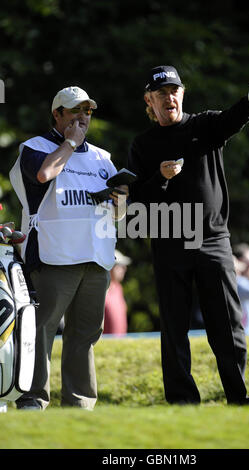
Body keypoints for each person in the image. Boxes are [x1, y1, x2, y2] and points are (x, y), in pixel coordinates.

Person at [128, 64, 249, 406]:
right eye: (160, 93)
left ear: (182, 93)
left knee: (228, 325)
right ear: (149, 100)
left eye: (174, 91)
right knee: (174, 328)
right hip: (168, 241)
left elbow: (231, 119)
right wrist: (161, 177)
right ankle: (183, 404)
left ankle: (238, 398)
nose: (169, 98)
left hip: (212, 240)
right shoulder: (143, 145)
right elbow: (135, 203)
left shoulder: (204, 125)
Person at [9, 86, 128, 410]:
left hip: (96, 257)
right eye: (74, 110)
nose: (82, 117)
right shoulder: (33, 147)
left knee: (85, 334)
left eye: (87, 111)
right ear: (57, 114)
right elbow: (45, 173)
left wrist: (120, 199)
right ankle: (33, 399)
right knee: (42, 331)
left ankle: (80, 405)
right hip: (52, 257)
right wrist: (70, 144)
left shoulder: (103, 157)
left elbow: (117, 213)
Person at [103, 249, 131, 335]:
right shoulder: (100, 291)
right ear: (109, 267)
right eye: (120, 266)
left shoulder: (118, 288)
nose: (124, 269)